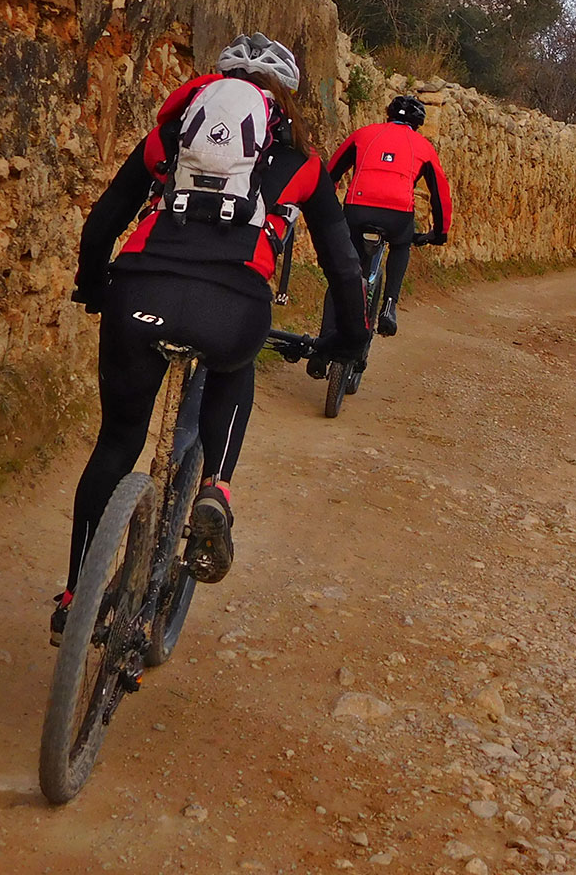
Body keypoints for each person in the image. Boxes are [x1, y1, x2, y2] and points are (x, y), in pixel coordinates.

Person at [58, 33, 370, 644]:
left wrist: (95, 287)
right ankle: (216, 491)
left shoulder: (169, 140)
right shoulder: (303, 163)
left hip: (140, 292)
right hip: (233, 305)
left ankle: (75, 597)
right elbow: (344, 266)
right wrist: (349, 341)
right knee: (237, 359)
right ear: (285, 100)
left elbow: (101, 225)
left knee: (116, 444)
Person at [307, 94, 450, 374]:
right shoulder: (423, 146)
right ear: (418, 124)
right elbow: (440, 195)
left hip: (356, 210)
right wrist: (439, 233)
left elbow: (330, 174)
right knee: (401, 244)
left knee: (344, 275)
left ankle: (322, 348)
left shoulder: (364, 134)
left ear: (388, 115)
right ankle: (388, 307)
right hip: (397, 214)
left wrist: (322, 207)